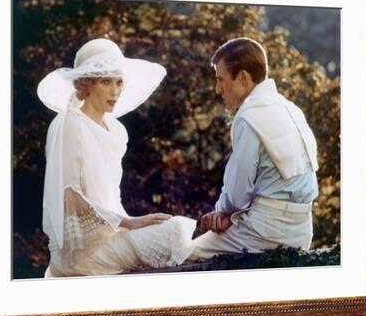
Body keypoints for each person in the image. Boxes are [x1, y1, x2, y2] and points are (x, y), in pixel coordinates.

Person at [38, 38, 196, 277]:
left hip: (114, 232)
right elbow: (70, 194)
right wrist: (128, 223)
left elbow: (111, 194)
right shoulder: (69, 122)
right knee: (176, 231)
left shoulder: (116, 130)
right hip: (86, 250)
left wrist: (129, 222)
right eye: (105, 82)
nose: (115, 91)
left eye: (119, 82)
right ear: (86, 85)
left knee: (173, 226)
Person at [189, 37, 319, 260]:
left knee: (186, 254)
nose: (218, 89)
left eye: (221, 80)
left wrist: (223, 213)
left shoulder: (249, 116)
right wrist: (232, 214)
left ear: (242, 77)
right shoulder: (291, 108)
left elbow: (238, 191)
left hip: (263, 232)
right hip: (301, 231)